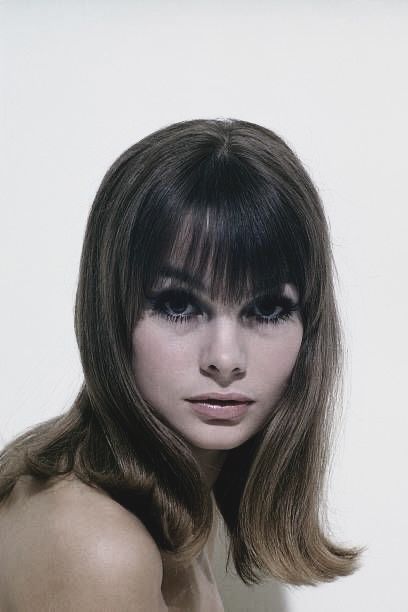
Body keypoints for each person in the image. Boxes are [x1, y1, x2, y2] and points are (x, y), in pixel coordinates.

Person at [0, 118, 365, 611]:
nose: (225, 359)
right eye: (178, 305)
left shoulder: (174, 510)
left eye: (266, 310)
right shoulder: (95, 543)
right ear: (111, 313)